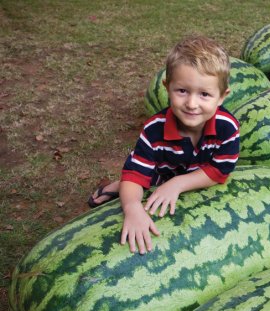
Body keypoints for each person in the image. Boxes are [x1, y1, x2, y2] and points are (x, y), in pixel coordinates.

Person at [88, 34, 240, 255]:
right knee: (136, 181)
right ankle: (117, 186)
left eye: (205, 94)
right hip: (159, 173)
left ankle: (125, 186)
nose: (191, 103)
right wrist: (132, 208)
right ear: (167, 87)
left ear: (221, 97)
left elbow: (219, 171)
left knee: (164, 183)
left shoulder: (228, 128)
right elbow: (134, 174)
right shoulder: (154, 129)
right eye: (182, 91)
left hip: (198, 175)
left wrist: (178, 184)